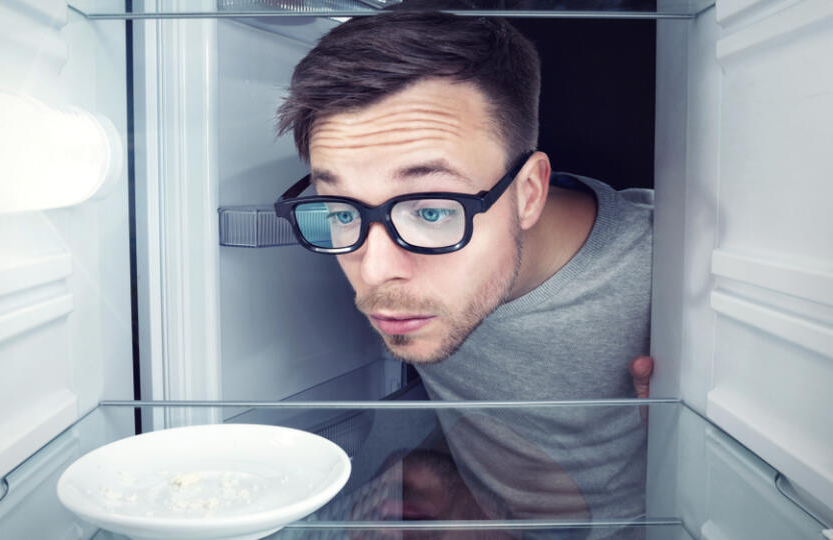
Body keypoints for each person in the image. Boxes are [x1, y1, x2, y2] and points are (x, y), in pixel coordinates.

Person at [273, 9, 655, 538]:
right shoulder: (387, 249)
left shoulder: (663, 270)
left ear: (528, 193)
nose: (378, 272)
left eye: (430, 211)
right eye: (340, 209)